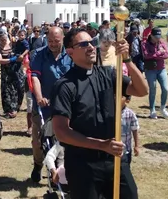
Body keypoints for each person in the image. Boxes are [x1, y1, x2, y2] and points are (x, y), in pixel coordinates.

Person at [51, 27, 149, 198]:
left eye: (92, 42)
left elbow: (142, 90)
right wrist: (101, 144)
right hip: (83, 164)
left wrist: (127, 59)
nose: (91, 47)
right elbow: (61, 132)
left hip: (114, 159)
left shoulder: (108, 74)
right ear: (70, 52)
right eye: (84, 44)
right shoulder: (65, 86)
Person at [29, 26, 72, 183]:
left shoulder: (70, 55)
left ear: (63, 39)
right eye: (50, 41)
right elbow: (35, 77)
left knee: (61, 142)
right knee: (38, 140)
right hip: (43, 106)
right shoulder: (39, 54)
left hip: (64, 106)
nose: (53, 44)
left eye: (56, 41)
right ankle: (37, 164)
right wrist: (39, 97)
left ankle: (57, 173)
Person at [0, 32, 27, 119]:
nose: (3, 41)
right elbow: (0, 60)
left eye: (4, 39)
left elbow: (25, 49)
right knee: (7, 90)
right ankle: (9, 110)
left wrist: (21, 56)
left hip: (17, 70)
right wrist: (12, 59)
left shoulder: (14, 44)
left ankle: (17, 106)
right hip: (6, 72)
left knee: (20, 87)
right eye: (1, 40)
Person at [142, 28, 168, 119]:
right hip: (150, 69)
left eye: (159, 36)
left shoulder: (162, 42)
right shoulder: (145, 43)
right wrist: (159, 53)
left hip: (161, 69)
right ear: (151, 36)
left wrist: (154, 55)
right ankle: (152, 109)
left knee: (165, 89)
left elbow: (166, 55)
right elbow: (146, 55)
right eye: (156, 37)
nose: (158, 38)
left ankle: (163, 108)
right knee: (153, 89)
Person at [121, 95, 140, 164]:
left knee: (125, 168)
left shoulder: (130, 114)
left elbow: (135, 130)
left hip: (126, 150)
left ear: (127, 100)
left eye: (121, 96)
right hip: (112, 150)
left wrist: (136, 146)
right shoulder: (110, 113)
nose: (116, 98)